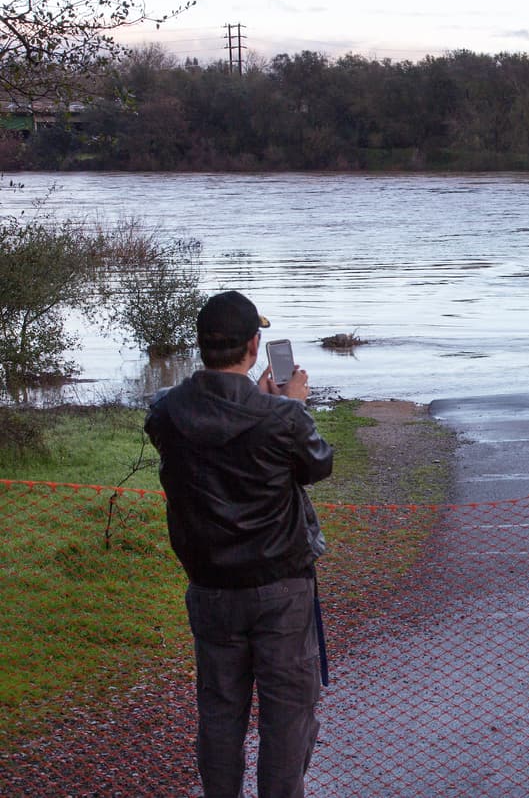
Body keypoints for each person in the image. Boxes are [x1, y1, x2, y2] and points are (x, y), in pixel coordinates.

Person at [145, 290, 333, 798]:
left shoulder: (166, 413)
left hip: (209, 586)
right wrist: (287, 406)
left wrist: (271, 406)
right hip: (281, 586)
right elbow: (317, 465)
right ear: (254, 345)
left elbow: (203, 428)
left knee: (221, 713)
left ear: (203, 346)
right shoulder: (283, 419)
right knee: (288, 717)